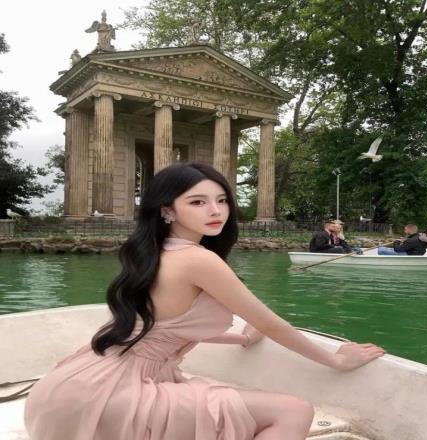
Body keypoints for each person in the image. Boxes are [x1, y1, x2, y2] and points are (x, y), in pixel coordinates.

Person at [25, 163, 385, 440]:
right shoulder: (198, 259)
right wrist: (336, 360)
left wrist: (239, 338)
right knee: (294, 411)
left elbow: (163, 328)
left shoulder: (154, 251)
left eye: (222, 200)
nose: (216, 211)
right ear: (167, 210)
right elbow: (271, 323)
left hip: (76, 386)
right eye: (197, 202)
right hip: (112, 394)